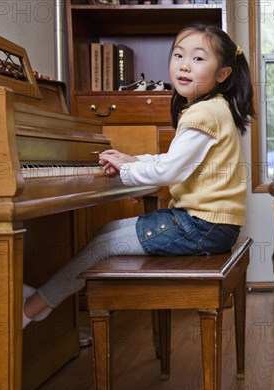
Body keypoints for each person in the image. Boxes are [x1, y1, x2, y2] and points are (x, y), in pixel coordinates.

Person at [22, 24, 255, 328]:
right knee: (106, 232)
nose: (183, 65)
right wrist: (134, 160)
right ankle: (45, 300)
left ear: (222, 74)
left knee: (103, 245)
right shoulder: (214, 109)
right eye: (178, 55)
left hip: (201, 226)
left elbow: (170, 170)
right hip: (210, 225)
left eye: (198, 59)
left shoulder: (203, 114)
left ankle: (34, 307)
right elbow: (177, 160)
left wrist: (128, 170)